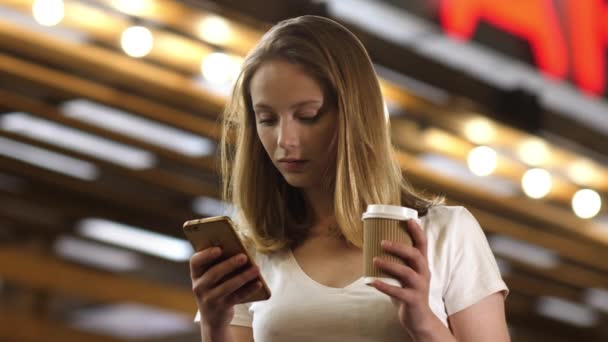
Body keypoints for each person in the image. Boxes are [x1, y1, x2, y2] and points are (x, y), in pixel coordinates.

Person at [189, 15, 509, 342]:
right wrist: (214, 326)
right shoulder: (253, 253)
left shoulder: (446, 233)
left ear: (354, 115)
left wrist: (423, 322)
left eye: (308, 116)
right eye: (267, 119)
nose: (285, 139)